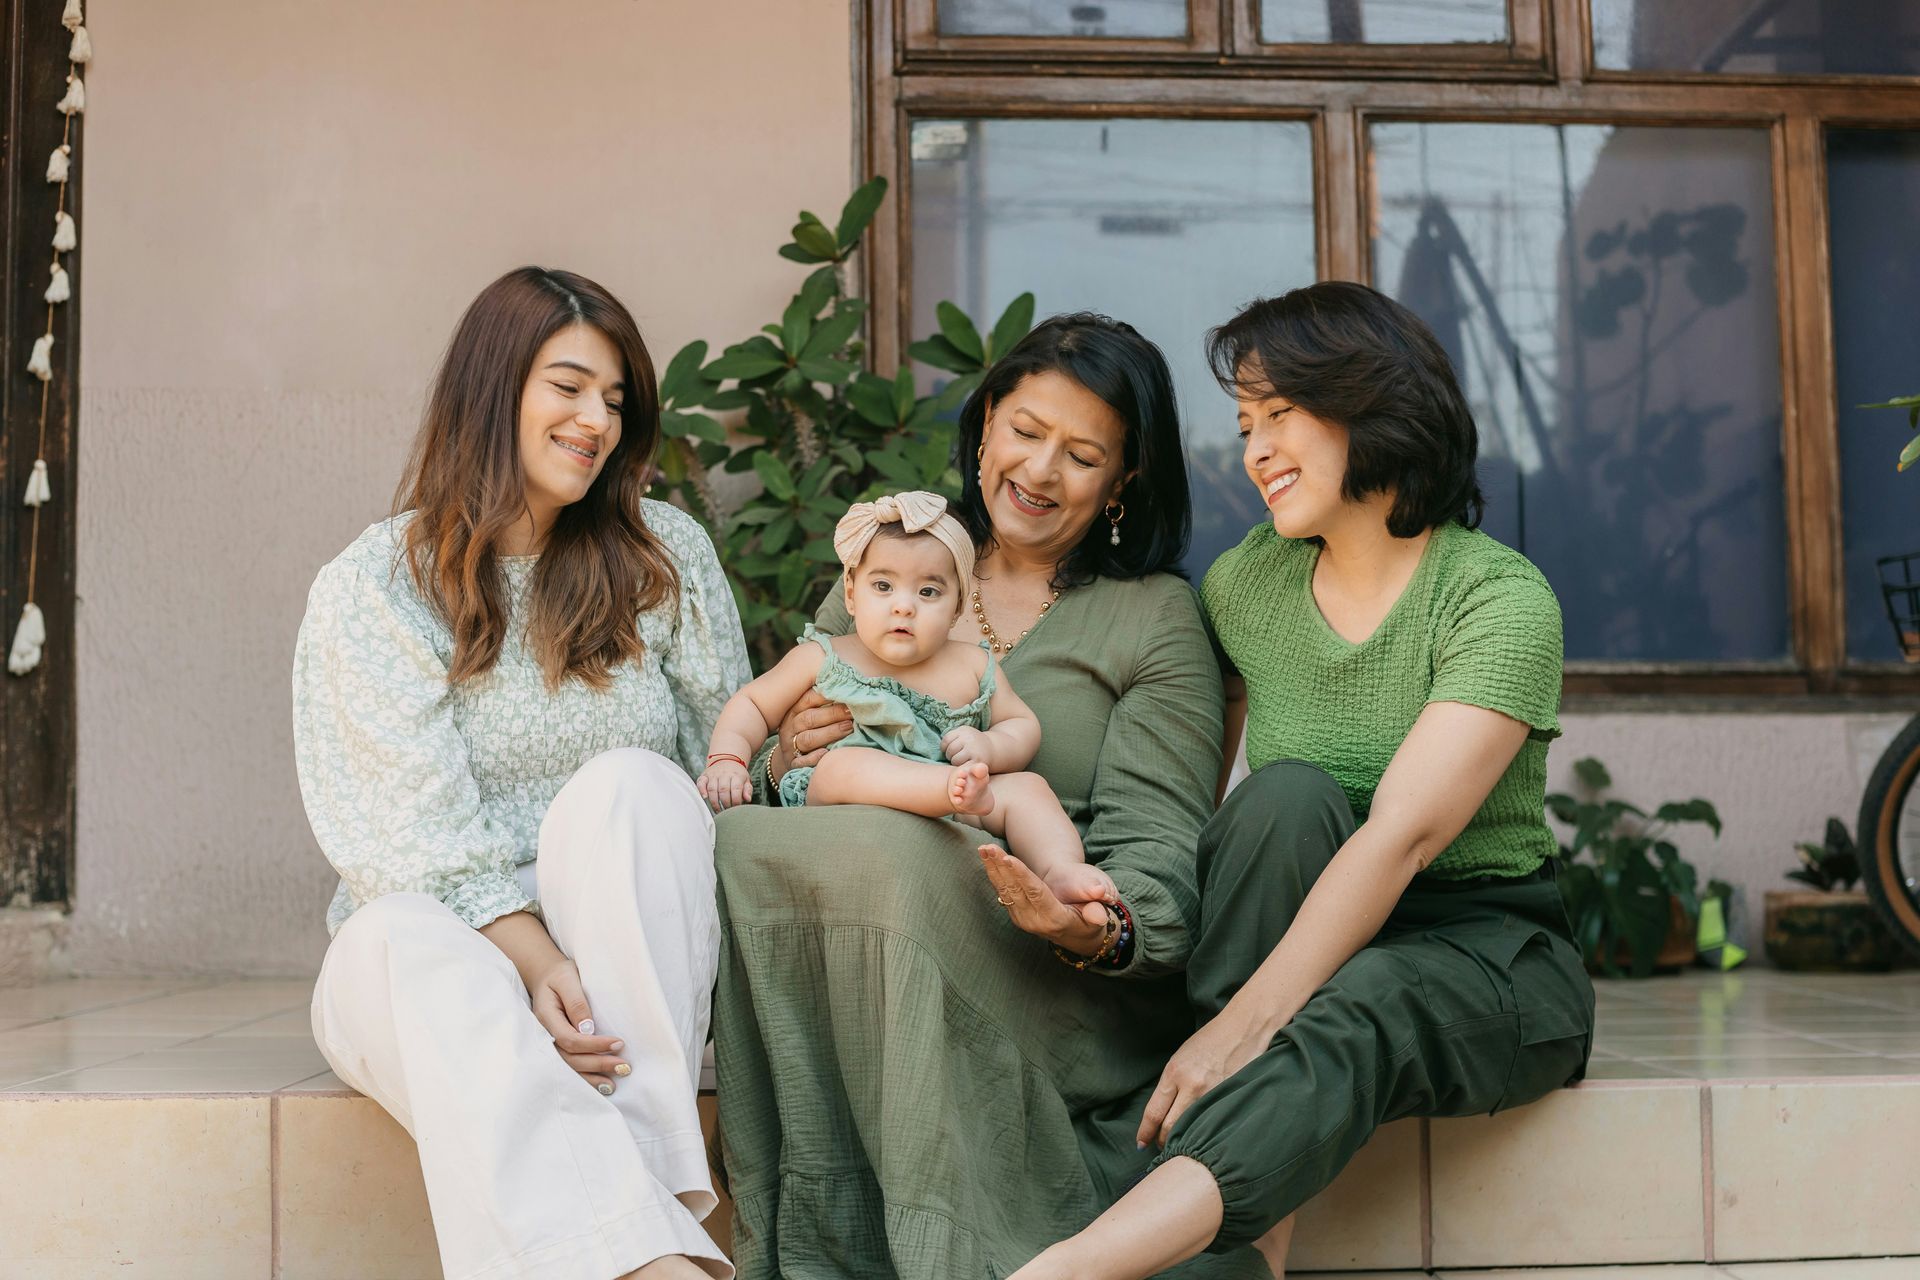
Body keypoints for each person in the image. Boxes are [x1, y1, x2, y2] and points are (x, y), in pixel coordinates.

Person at [1011, 282, 1596, 1280]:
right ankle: (1242, 1254)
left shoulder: (1496, 596)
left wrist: (1239, 1027)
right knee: (1281, 797)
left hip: (1483, 942)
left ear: (1372, 401)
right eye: (1244, 425)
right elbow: (1198, 781)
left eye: (1280, 414)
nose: (1255, 450)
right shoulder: (1248, 584)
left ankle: (1070, 1268)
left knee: (1355, 995)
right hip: (1304, 924)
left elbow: (1401, 836)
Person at [711, 314, 1259, 1276]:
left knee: (890, 851)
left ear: (1124, 478)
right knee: (742, 845)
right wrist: (773, 759)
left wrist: (1092, 923)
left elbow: (1161, 854)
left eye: (1083, 453)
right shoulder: (905, 562)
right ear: (985, 425)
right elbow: (792, 742)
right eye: (1026, 430)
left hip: (1040, 964)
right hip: (867, 910)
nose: (1041, 471)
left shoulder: (1153, 618)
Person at [292, 267, 748, 1280]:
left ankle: (640, 1216)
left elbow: (724, 766)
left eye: (617, 400)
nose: (597, 419)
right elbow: (402, 831)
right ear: (494, 389)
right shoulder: (377, 584)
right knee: (396, 935)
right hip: (448, 955)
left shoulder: (661, 555)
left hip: (626, 975)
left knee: (630, 787)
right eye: (570, 386)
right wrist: (535, 962)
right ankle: (656, 1245)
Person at [697, 490, 1114, 906]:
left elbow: (1022, 724)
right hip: (851, 798)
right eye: (883, 585)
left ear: (957, 609)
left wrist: (990, 745)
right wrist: (727, 759)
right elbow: (752, 704)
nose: (904, 607)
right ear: (850, 593)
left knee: (1028, 788)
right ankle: (945, 788)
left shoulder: (971, 665)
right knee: (843, 765)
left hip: (960, 799)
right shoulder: (823, 657)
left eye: (928, 593)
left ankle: (1058, 870)